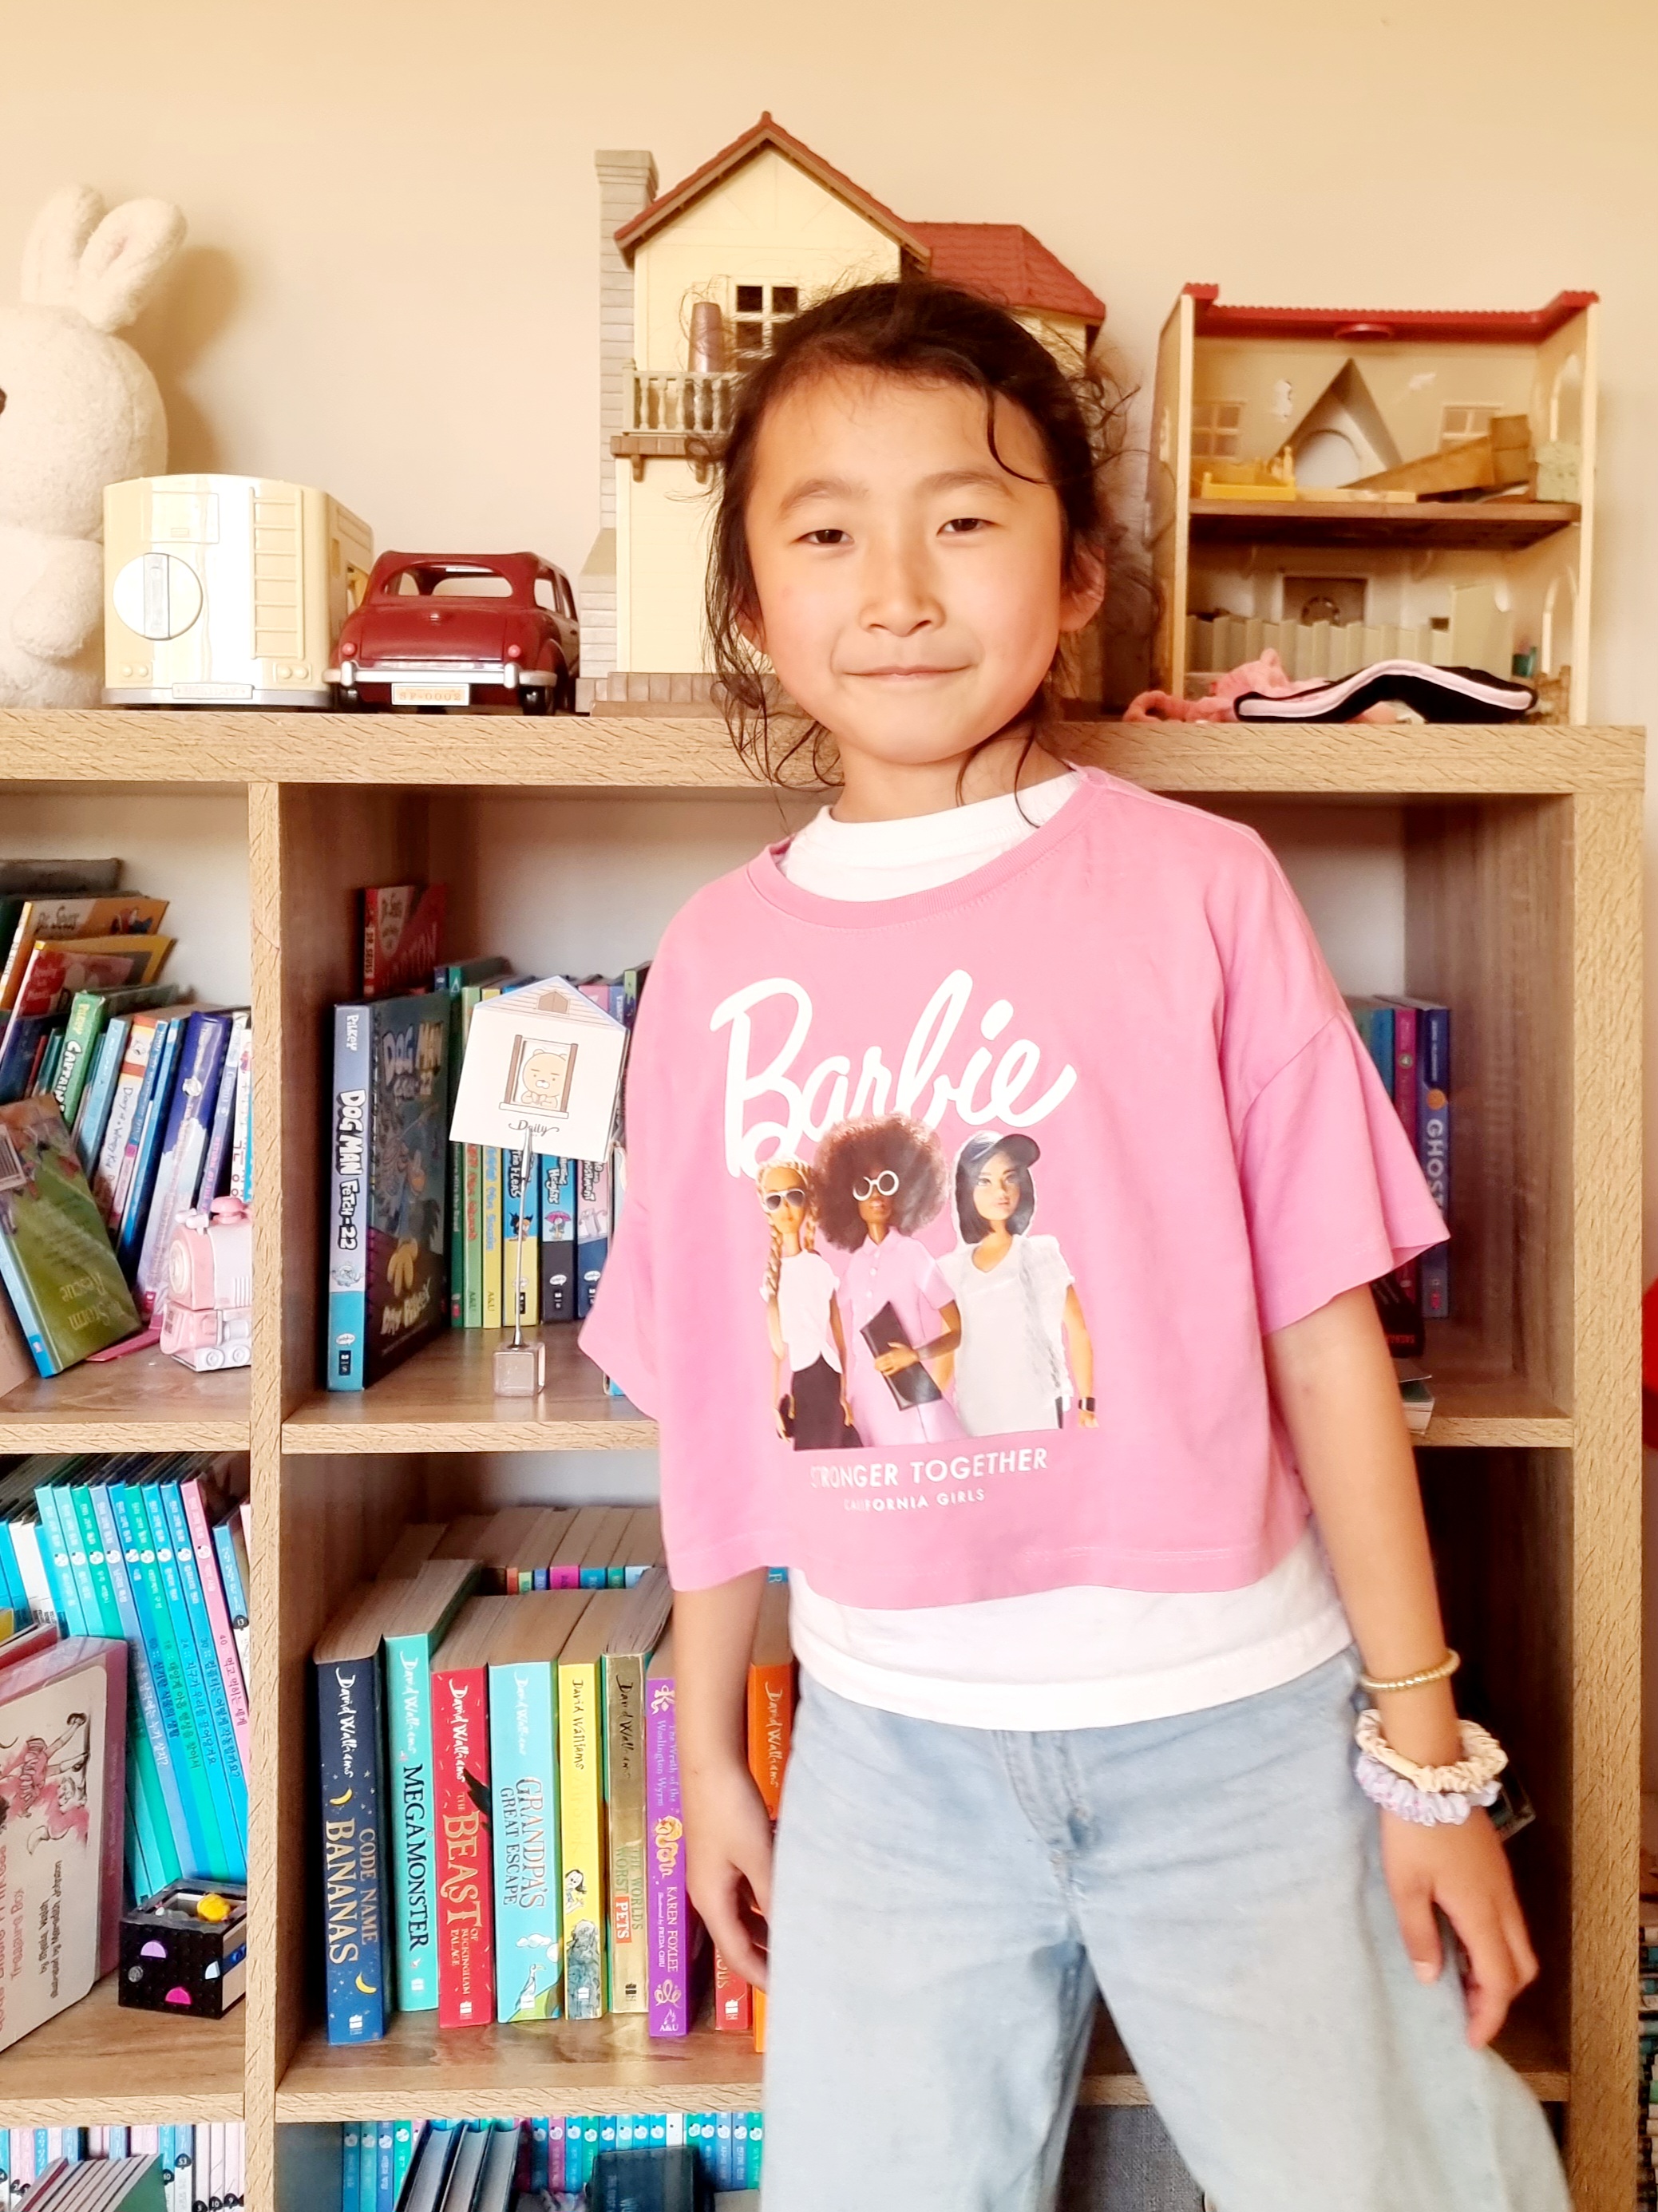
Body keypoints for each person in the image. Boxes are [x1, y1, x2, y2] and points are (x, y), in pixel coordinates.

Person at [581, 278, 1566, 2212]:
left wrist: (1426, 1757)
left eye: (963, 516)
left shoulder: (1201, 889)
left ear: (1080, 570)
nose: (897, 588)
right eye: (824, 532)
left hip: (1242, 1733)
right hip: (889, 1761)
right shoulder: (709, 962)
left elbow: (1325, 1339)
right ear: (750, 604)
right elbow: (715, 1392)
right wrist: (705, 1748)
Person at [808, 1112, 962, 1446]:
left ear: (904, 1190)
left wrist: (915, 1355)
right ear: (848, 1197)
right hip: (864, 1397)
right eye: (864, 1187)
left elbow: (957, 1331)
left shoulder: (913, 1254)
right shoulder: (855, 1265)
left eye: (886, 1183)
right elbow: (827, 1314)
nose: (876, 1195)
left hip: (907, 1392)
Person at [939, 1128, 1096, 1433]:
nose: (1001, 1191)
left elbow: (1077, 1330)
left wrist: (1087, 1403)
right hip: (975, 1411)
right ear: (966, 1190)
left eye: (1009, 1178)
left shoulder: (1040, 1254)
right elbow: (948, 1344)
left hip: (1036, 1406)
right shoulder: (952, 1270)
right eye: (985, 1181)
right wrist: (925, 1408)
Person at [756, 1157, 859, 1448]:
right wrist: (774, 1404)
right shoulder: (774, 1276)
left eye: (794, 1197)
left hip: (828, 1372)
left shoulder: (819, 1267)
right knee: (812, 1448)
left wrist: (844, 1393)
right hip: (802, 1376)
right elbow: (777, 1351)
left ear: (807, 1202)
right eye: (774, 1201)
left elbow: (840, 1339)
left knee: (838, 1446)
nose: (786, 1209)